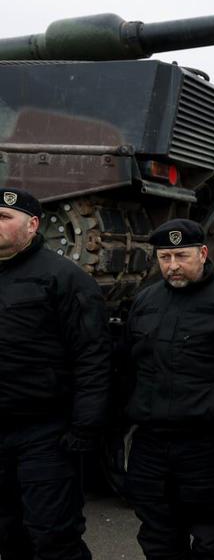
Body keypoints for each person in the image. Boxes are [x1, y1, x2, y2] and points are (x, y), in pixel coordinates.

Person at [123, 218, 214, 559]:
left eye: (181, 256)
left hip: (206, 445)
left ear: (202, 253)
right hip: (152, 444)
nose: (172, 266)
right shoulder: (145, 302)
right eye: (165, 258)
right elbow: (127, 371)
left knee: (213, 540)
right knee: (157, 537)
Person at [0, 187, 111, 559]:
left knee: (52, 535)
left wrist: (85, 427)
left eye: (3, 217)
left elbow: (93, 356)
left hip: (46, 433)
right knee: (6, 532)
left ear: (32, 225)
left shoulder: (64, 278)